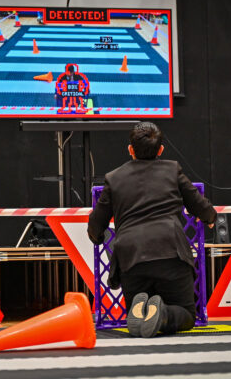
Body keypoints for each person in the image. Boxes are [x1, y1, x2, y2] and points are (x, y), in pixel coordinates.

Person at [87, 122, 216, 338]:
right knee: (186, 314)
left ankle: (142, 308)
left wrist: (97, 237)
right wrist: (210, 217)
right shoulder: (172, 169)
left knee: (137, 323)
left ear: (130, 149)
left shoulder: (114, 178)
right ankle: (163, 313)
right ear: (161, 150)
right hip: (170, 253)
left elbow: (96, 223)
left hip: (131, 258)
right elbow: (198, 203)